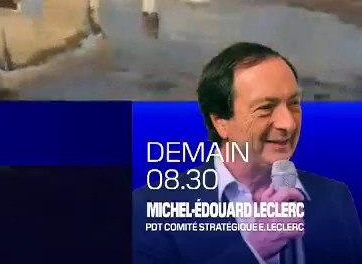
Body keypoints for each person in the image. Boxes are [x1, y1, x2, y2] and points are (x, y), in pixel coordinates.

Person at [133, 42, 362, 263]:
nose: (288, 123)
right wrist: (254, 249)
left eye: (293, 103)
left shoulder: (334, 198)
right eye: (265, 108)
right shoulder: (151, 209)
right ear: (221, 122)